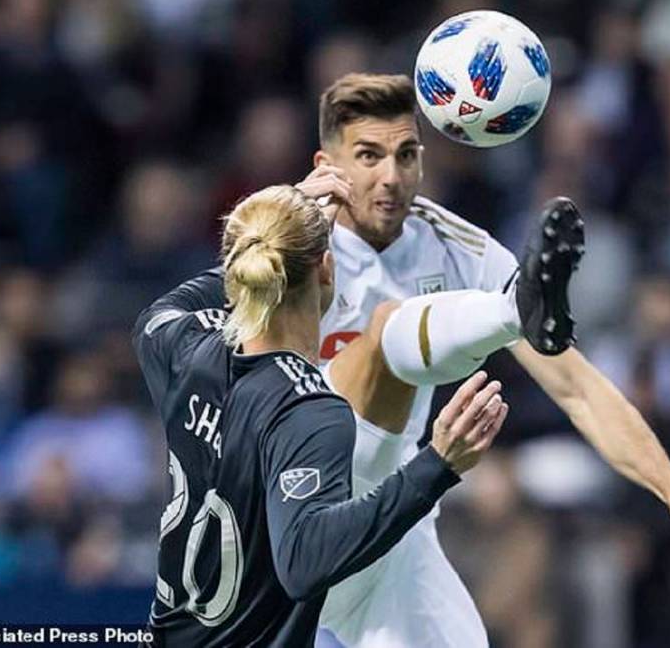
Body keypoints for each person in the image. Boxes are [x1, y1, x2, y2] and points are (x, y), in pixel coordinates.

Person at [287, 73, 670, 648]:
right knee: (387, 335)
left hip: (393, 517)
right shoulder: (284, 241)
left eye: (407, 155)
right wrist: (289, 245)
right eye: (369, 156)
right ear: (326, 164)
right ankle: (508, 312)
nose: (391, 176)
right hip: (288, 512)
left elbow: (575, 385)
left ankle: (514, 310)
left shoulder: (457, 246)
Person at [132, 185, 508, 647]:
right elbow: (305, 562)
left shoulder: (186, 348)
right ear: (328, 270)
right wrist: (438, 465)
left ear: (236, 278)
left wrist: (266, 230)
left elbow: (156, 315)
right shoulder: (308, 408)